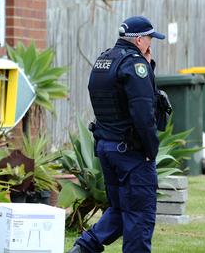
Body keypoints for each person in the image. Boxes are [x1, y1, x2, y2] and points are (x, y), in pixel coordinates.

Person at [68, 16, 167, 253]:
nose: (151, 43)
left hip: (107, 148)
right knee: (140, 216)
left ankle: (83, 248)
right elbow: (144, 114)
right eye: (150, 38)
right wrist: (150, 151)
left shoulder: (105, 60)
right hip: (131, 153)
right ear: (140, 39)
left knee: (121, 210)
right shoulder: (135, 65)